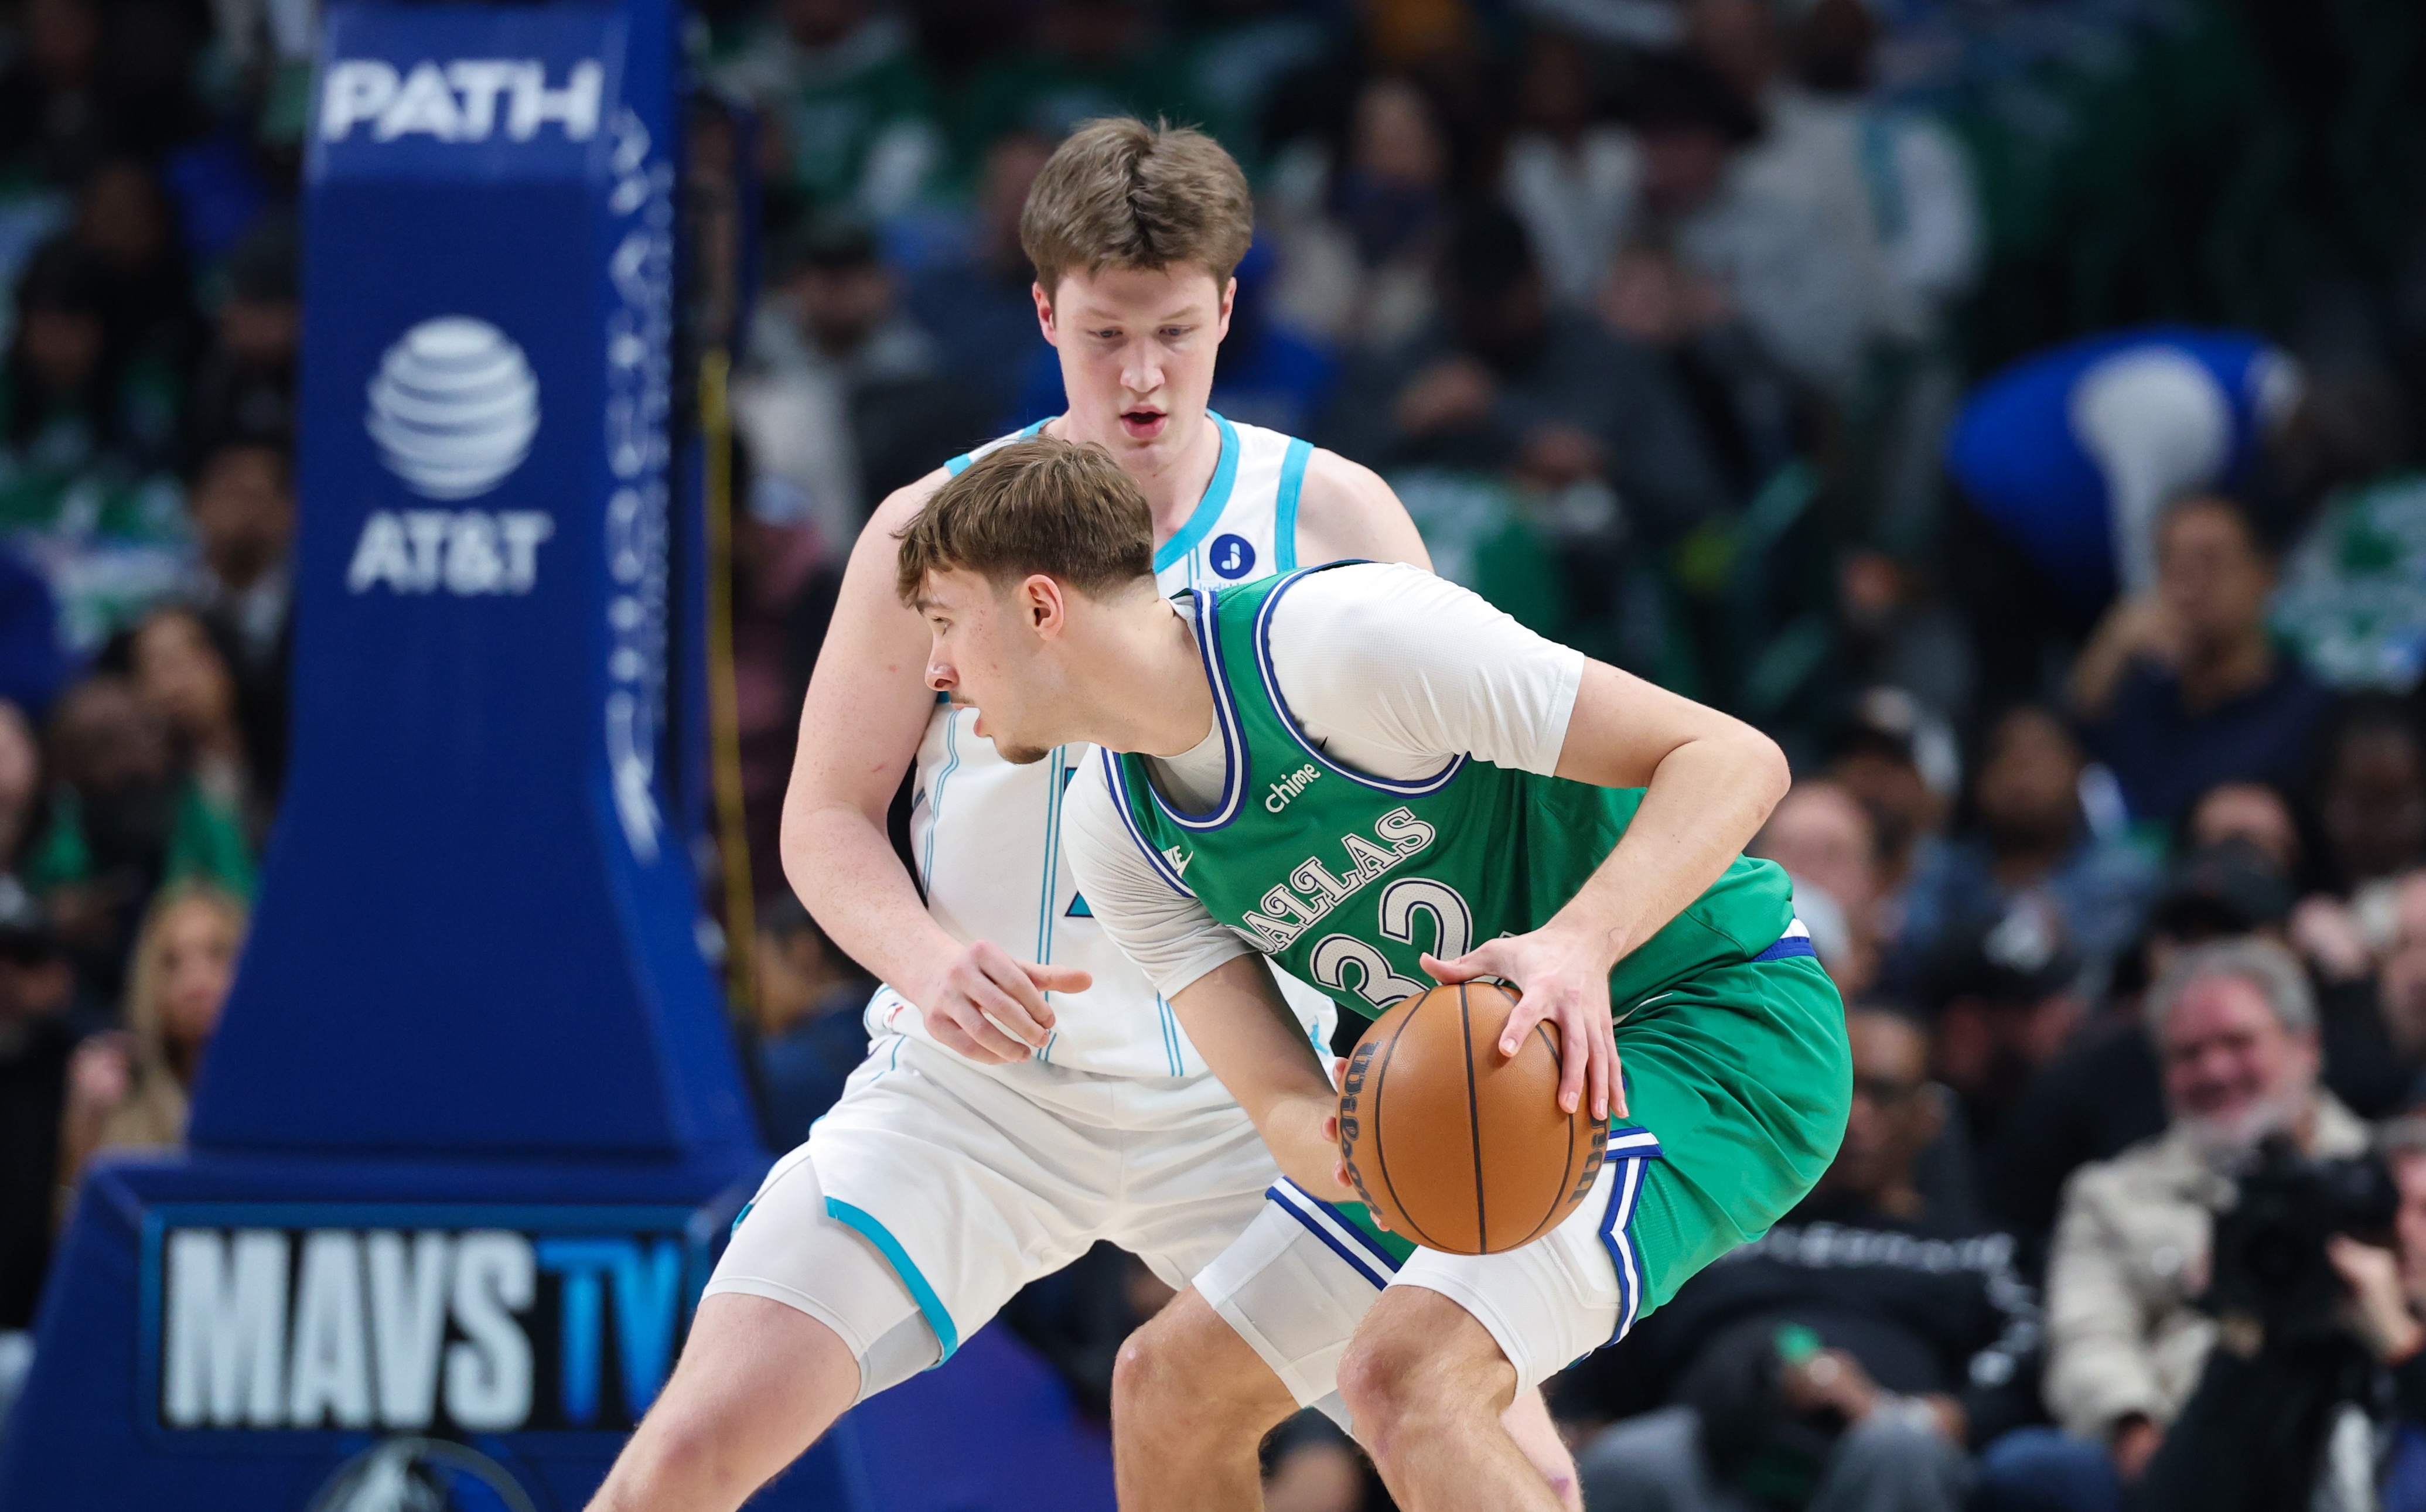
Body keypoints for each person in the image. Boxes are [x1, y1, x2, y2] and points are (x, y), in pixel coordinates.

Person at [586, 119, 1578, 1512]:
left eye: (1175, 331)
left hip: (1255, 1100)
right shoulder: (929, 529)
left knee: (1509, 1455)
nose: (1142, 374)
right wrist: (929, 961)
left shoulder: (1335, 517)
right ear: (1045, 311)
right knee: (680, 1460)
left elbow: (1454, 829)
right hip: (975, 1097)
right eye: (1106, 334)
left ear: (1227, 307)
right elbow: (824, 817)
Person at [890, 435, 1850, 1510]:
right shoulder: (1113, 832)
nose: (934, 670)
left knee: (1407, 1377)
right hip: (1492, 1082)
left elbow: (1735, 759)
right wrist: (1352, 1136)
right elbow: (1285, 1108)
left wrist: (1579, 942)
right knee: (1167, 1387)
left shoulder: (1341, 641)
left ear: (1038, 606)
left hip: (1707, 1017)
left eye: (943, 621)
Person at [1567, 1008, 2033, 1512]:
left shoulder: (1976, 1250)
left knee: (1901, 1448)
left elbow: (2024, 1365)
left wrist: (1929, 1414)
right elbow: (1614, 1348)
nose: (1855, 1116)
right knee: (1629, 1459)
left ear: (1927, 1117)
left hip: (1884, 1436)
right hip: (1711, 1441)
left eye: (1882, 1093)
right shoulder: (1719, 1223)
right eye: (1841, 1090)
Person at [1974, 937, 2369, 1512]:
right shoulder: (2109, 1194)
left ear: (2305, 1044)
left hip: (2344, 1435)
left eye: (2237, 1042)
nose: (2214, 1070)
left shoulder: (2386, 1176)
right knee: (2029, 1469)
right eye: (2187, 1054)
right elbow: (2087, 1334)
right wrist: (2131, 1424)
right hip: (2176, 1444)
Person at [2070, 494, 2331, 828]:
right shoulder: (2139, 696)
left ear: (2265, 575)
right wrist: (2110, 649)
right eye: (2172, 564)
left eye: (2210, 562)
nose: (2189, 585)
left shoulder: (2309, 711)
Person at [54, 880, 243, 1200]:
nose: (196, 981)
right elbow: (82, 1225)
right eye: (171, 963)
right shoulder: (118, 1106)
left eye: (218, 954)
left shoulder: (286, 1101)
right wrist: (84, 1128)